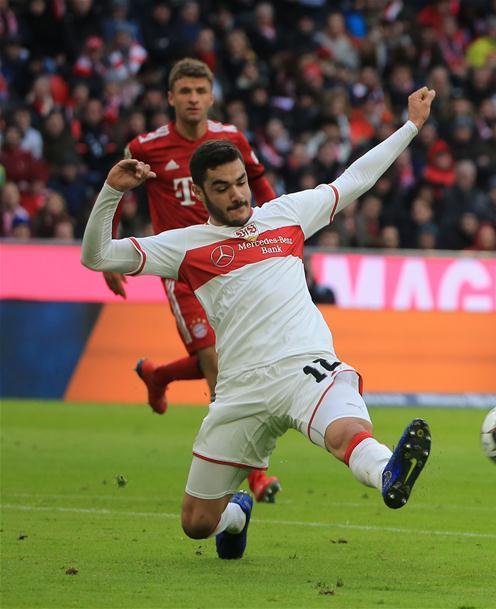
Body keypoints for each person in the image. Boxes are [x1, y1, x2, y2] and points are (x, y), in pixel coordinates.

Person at [80, 86, 436, 560]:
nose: (237, 194)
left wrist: (410, 127)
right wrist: (111, 192)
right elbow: (97, 256)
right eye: (222, 188)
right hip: (240, 389)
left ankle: (388, 472)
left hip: (304, 366)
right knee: (196, 523)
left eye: (240, 182)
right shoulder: (184, 244)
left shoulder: (285, 215)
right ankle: (237, 515)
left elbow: (356, 178)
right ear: (200, 192)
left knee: (346, 433)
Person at [101, 58, 281, 503]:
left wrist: (280, 231)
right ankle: (253, 473)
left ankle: (158, 375)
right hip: (181, 268)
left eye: (201, 91)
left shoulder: (232, 139)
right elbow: (117, 191)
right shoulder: (146, 146)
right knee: (216, 361)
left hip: (231, 264)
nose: (193, 99)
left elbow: (260, 185)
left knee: (231, 357)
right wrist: (109, 254)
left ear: (212, 96)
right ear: (170, 97)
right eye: (185, 91)